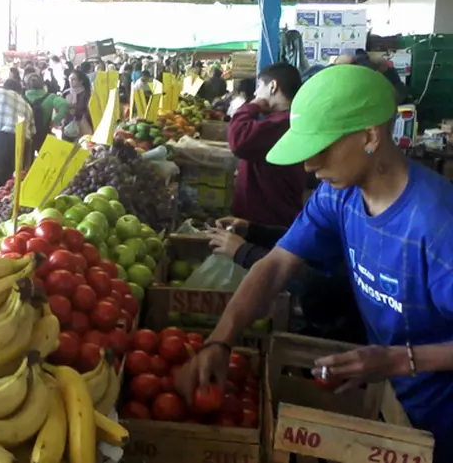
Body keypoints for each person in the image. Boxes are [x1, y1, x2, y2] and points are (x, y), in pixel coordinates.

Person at [178, 65, 453, 461]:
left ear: (370, 136)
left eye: (321, 148)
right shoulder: (338, 196)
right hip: (394, 402)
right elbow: (275, 266)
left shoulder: (437, 227)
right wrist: (221, 340)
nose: (308, 165)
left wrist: (398, 358)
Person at [207, 216, 366, 344]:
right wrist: (254, 231)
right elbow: (307, 239)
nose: (308, 173)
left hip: (353, 341)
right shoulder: (336, 196)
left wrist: (245, 252)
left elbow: (323, 287)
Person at [228, 64, 307, 228]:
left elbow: (239, 140)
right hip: (271, 217)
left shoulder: (283, 123)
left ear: (273, 86)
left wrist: (252, 105)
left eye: (259, 86)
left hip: (267, 221)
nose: (256, 93)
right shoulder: (281, 120)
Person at [0, 75, 36, 192]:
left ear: (4, 87)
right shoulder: (27, 106)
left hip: (1, 140)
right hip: (21, 145)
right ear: (19, 92)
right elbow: (31, 137)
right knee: (10, 188)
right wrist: (26, 165)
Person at [23, 73, 68, 154]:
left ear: (27, 86)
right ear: (42, 85)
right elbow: (64, 104)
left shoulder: (22, 98)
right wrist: (55, 122)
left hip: (26, 134)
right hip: (43, 134)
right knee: (45, 158)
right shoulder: (50, 97)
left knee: (27, 162)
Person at [62, 70, 92, 142]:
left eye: (73, 79)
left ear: (81, 81)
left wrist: (75, 110)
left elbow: (89, 111)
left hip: (82, 126)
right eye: (70, 79)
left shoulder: (87, 94)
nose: (70, 81)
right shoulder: (66, 93)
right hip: (67, 125)